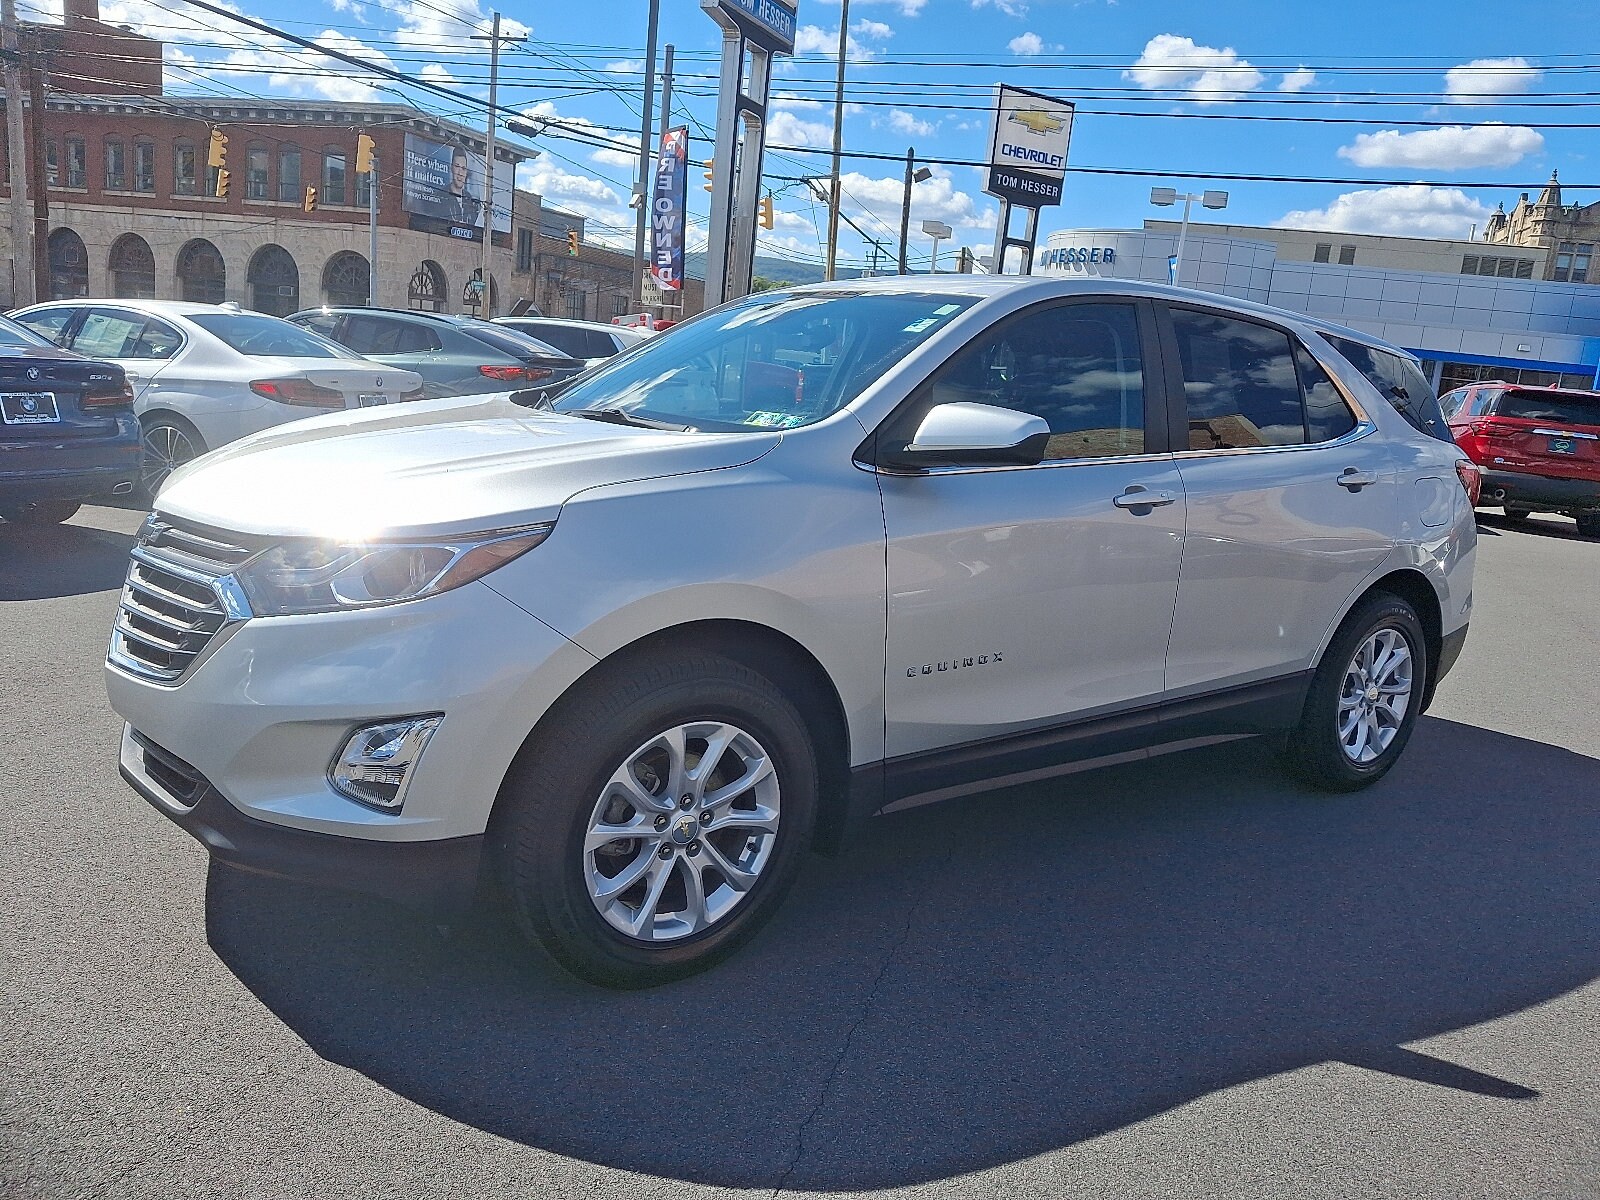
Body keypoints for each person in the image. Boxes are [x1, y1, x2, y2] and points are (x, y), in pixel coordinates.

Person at [440, 147, 480, 226]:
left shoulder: (470, 199)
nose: (460, 173)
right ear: (451, 168)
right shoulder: (441, 196)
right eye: (457, 166)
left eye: (463, 168)